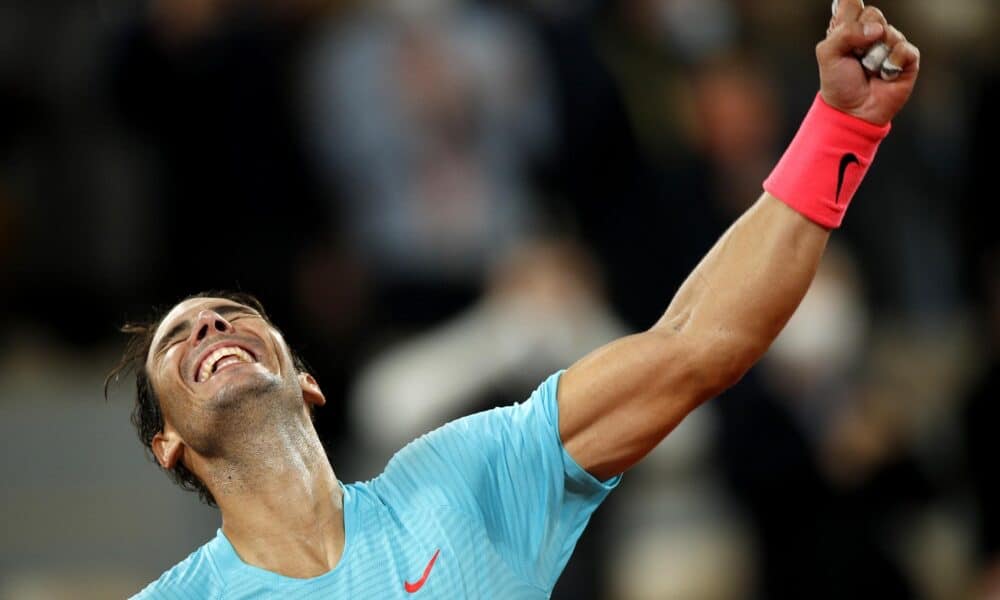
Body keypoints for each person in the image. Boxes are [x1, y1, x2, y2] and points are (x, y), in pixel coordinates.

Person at [108, 1, 919, 597]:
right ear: (168, 445)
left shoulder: (464, 479)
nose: (209, 322)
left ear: (308, 384)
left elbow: (695, 346)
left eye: (231, 316)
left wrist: (842, 130)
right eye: (176, 338)